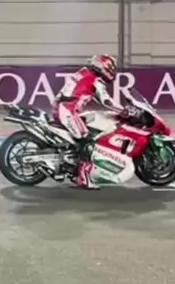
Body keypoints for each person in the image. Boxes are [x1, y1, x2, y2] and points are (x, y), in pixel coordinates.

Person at [53, 54, 137, 188]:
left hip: (64, 108)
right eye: (110, 68)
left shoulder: (84, 73)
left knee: (90, 126)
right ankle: (83, 178)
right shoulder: (95, 80)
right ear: (103, 67)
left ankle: (71, 162)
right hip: (68, 111)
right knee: (87, 140)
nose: (112, 71)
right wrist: (124, 111)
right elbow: (106, 101)